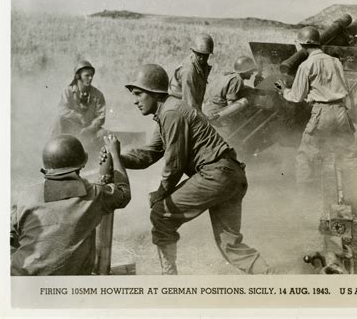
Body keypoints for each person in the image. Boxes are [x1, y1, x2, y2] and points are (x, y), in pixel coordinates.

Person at [112, 63, 274, 275]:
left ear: (153, 93)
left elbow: (174, 163)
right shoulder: (169, 112)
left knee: (161, 214)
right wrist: (118, 157)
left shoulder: (171, 112)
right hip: (231, 175)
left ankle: (169, 280)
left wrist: (161, 193)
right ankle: (271, 277)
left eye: (138, 94)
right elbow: (150, 154)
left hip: (215, 174)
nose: (135, 100)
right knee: (230, 245)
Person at [275, 26, 357, 210]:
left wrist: (284, 91)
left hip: (321, 113)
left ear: (303, 46)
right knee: (353, 157)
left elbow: (296, 97)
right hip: (340, 111)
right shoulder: (335, 61)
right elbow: (338, 87)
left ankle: (301, 203)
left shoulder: (306, 65)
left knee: (305, 156)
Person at [10, 134, 131, 275]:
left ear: (46, 166)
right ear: (84, 162)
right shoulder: (94, 194)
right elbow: (124, 193)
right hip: (70, 283)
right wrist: (115, 155)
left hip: (21, 278)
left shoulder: (26, 195)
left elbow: (10, 236)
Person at [52, 60, 107, 147]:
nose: (90, 78)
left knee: (103, 134)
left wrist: (90, 128)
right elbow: (61, 110)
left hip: (90, 129)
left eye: (91, 75)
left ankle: (95, 157)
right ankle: (55, 151)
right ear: (78, 76)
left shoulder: (98, 95)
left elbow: (101, 117)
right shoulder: (68, 92)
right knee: (58, 121)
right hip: (72, 128)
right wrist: (78, 116)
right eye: (87, 75)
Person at [202, 56, 257, 138]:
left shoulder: (228, 75)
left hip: (205, 108)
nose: (252, 73)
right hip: (216, 114)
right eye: (250, 71)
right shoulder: (237, 80)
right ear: (244, 72)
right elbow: (231, 104)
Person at [168, 33, 214, 113]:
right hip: (176, 108)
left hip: (187, 105)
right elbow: (189, 103)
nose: (202, 58)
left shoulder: (202, 66)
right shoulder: (188, 71)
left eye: (205, 55)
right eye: (199, 54)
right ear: (193, 51)